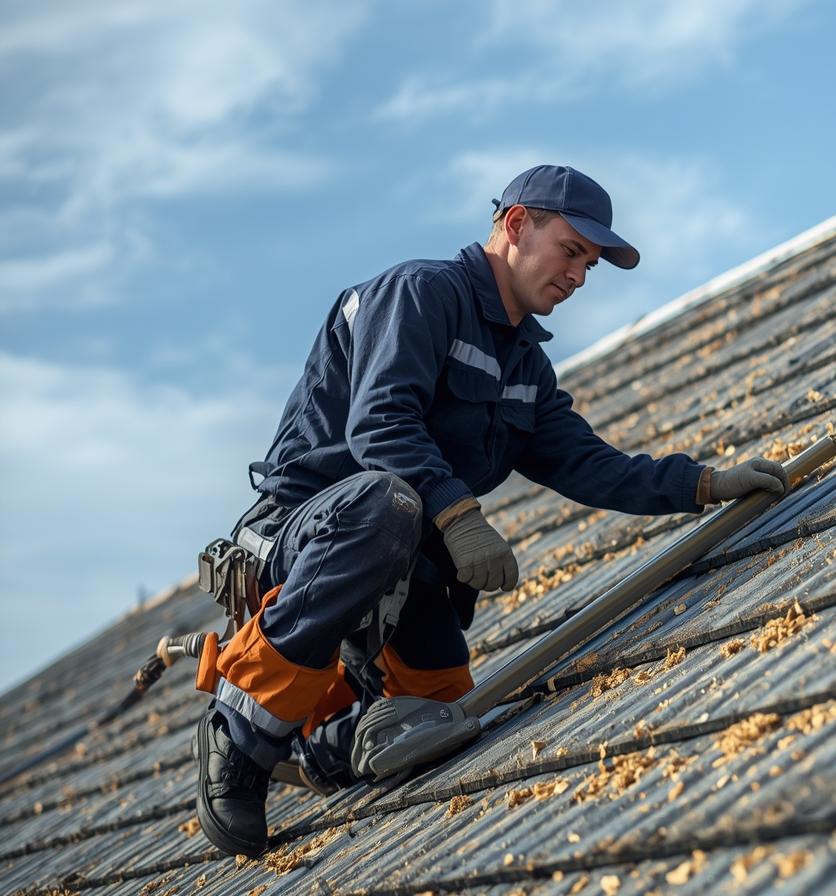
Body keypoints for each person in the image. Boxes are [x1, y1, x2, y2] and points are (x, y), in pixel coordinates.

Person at [191, 164, 786, 857]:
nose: (579, 276)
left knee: (444, 716)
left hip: (400, 564)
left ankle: (328, 748)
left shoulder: (524, 367)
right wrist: (460, 517)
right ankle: (238, 739)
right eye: (571, 251)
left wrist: (703, 484)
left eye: (590, 264)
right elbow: (380, 424)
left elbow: (589, 464)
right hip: (311, 541)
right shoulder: (420, 294)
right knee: (388, 503)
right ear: (516, 225)